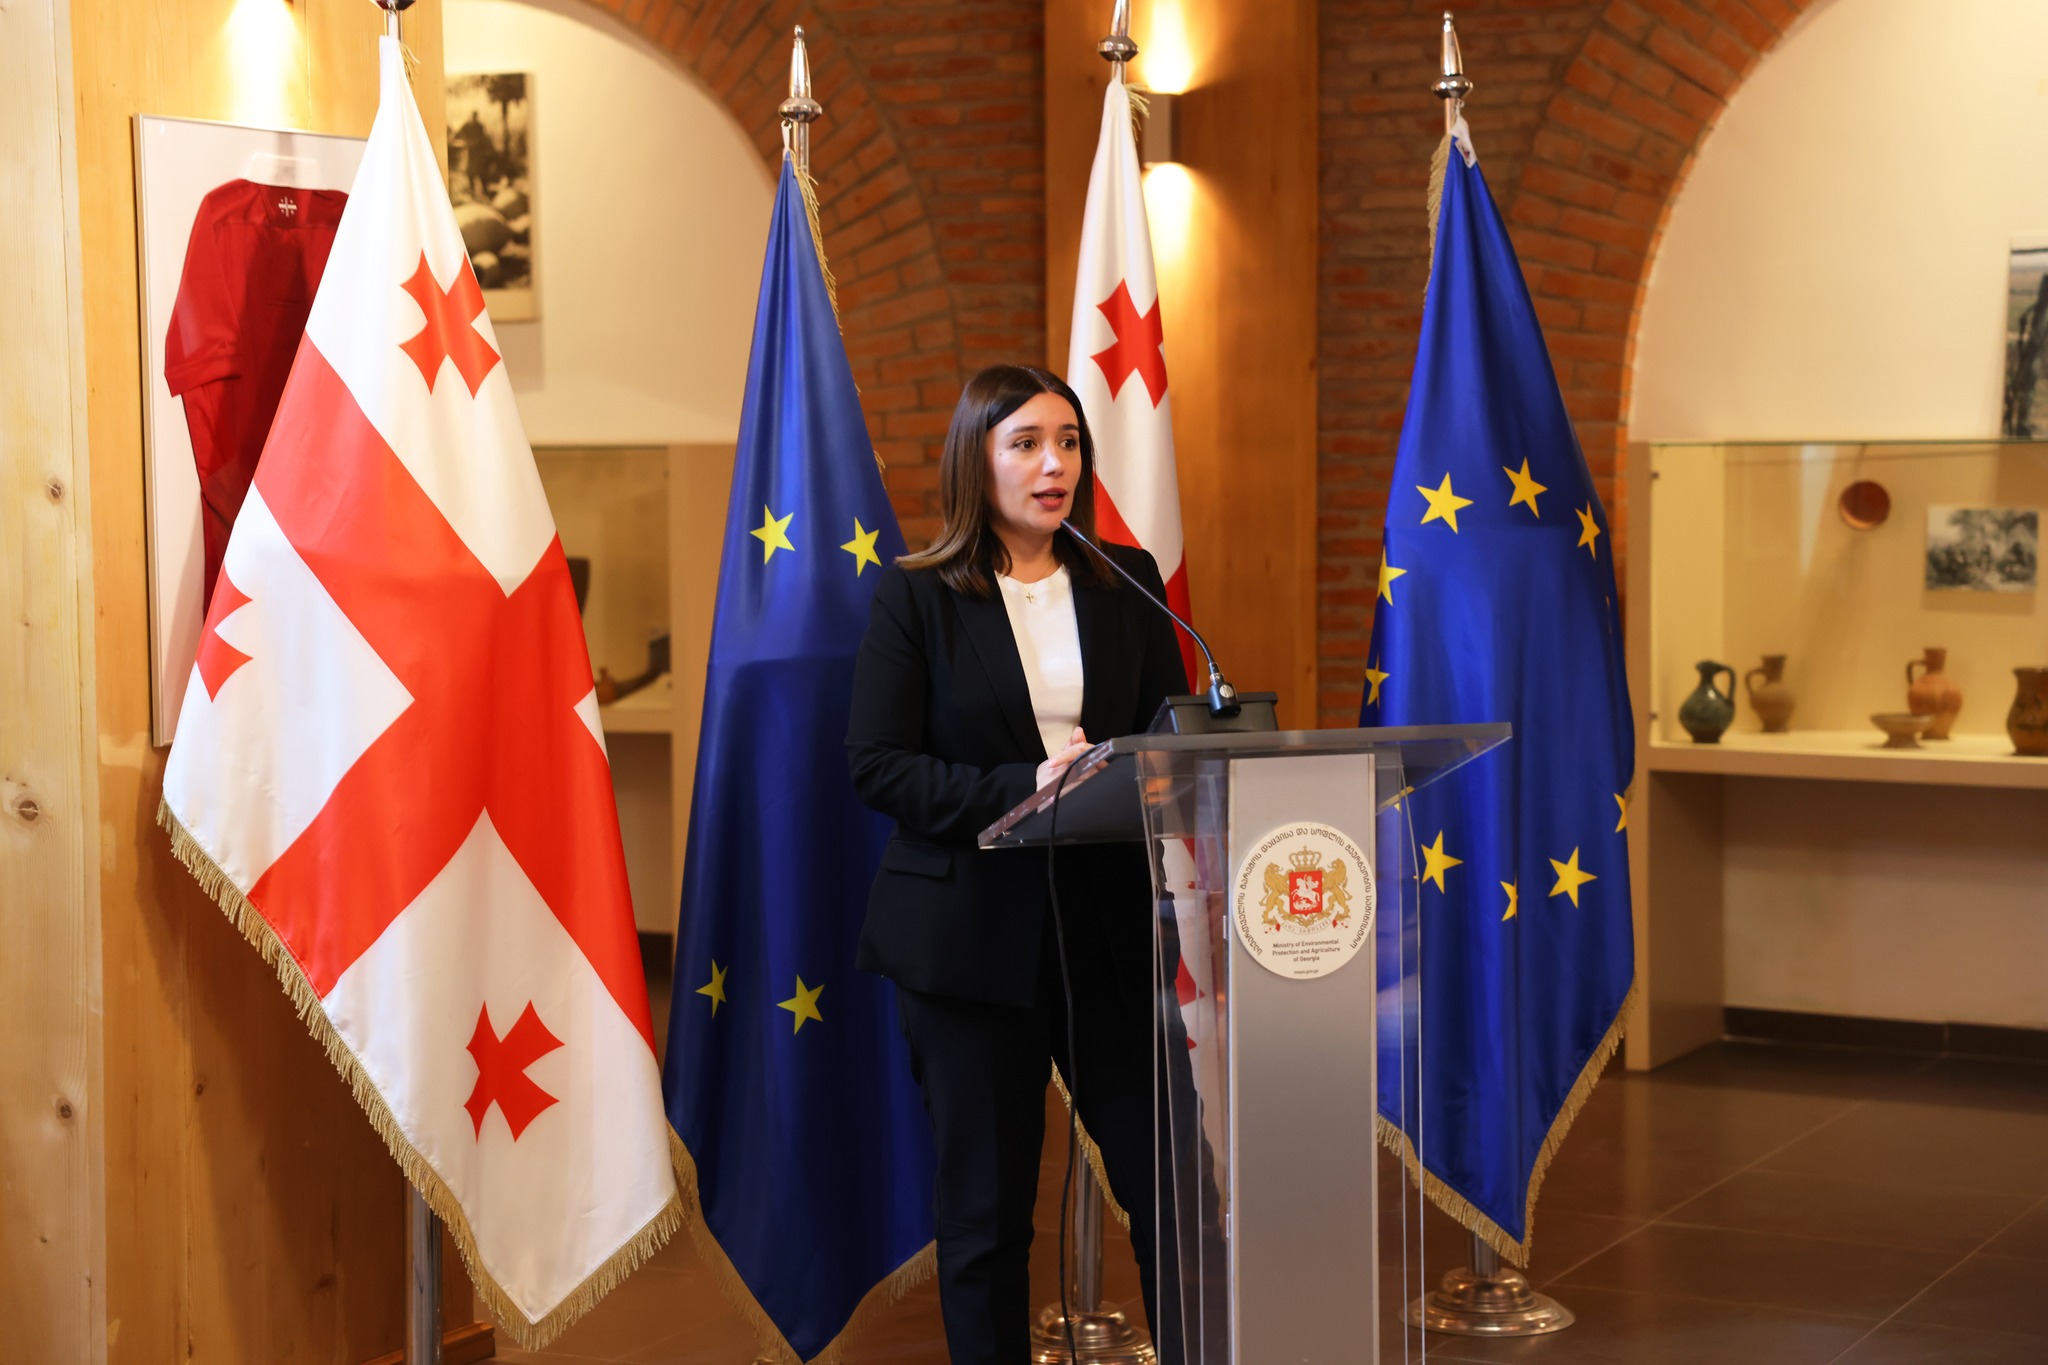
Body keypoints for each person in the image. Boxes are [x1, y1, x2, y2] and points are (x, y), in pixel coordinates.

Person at [847, 363, 1188, 1363]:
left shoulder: (1127, 579)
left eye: (1068, 442)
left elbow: (1166, 740)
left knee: (1172, 1190)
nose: (1054, 465)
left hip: (1106, 935)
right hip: (967, 939)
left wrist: (1166, 771)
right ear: (977, 459)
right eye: (1027, 443)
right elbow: (877, 765)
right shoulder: (918, 595)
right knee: (988, 1215)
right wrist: (1024, 785)